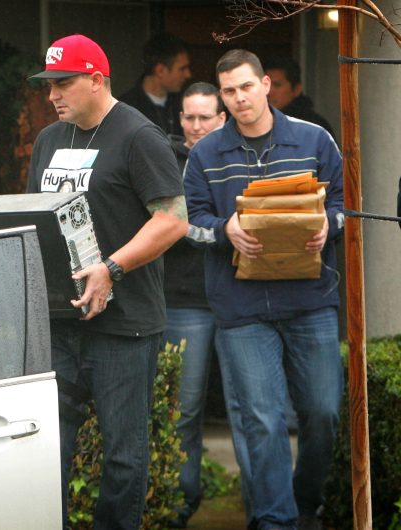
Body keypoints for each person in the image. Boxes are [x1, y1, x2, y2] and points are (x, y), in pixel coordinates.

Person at [27, 34, 188, 529]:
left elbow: (173, 220)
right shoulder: (49, 140)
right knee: (47, 451)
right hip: (62, 321)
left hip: (124, 325)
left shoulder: (139, 136)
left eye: (64, 83)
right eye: (49, 84)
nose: (53, 94)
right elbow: (37, 217)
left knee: (123, 457)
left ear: (97, 80)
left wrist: (111, 268)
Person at [183, 49, 344, 530]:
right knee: (264, 420)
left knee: (323, 414)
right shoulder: (205, 155)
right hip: (242, 306)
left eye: (245, 87)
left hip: (310, 300)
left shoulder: (313, 139)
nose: (238, 98)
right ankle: (276, 521)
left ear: (266, 85)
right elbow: (188, 224)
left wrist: (327, 226)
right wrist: (223, 229)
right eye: (228, 91)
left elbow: (343, 204)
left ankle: (305, 502)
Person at [162, 81, 234, 528]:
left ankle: (268, 510)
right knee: (183, 409)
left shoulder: (237, 154)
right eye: (189, 117)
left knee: (250, 410)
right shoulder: (167, 160)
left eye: (205, 116)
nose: (195, 125)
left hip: (241, 296)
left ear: (221, 119)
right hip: (184, 299)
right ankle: (180, 504)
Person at [118, 33, 192, 136]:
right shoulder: (126, 108)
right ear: (160, 71)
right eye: (182, 69)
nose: (188, 74)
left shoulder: (185, 103)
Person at [265, 56, 335, 139]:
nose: (268, 92)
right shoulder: (256, 122)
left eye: (277, 85)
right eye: (265, 85)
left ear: (296, 90)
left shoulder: (313, 128)